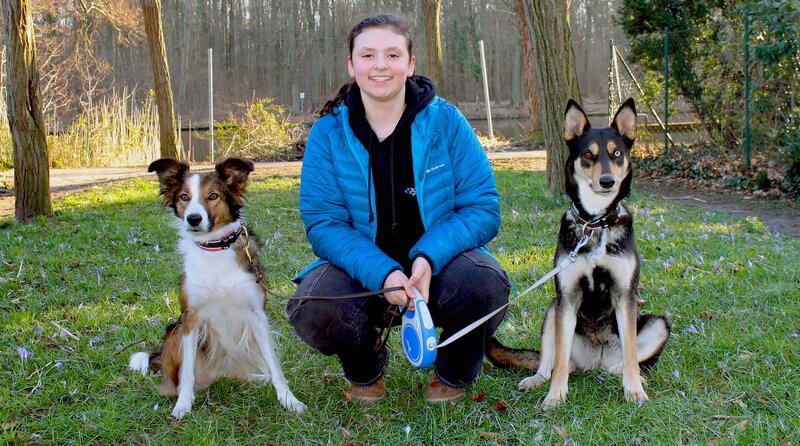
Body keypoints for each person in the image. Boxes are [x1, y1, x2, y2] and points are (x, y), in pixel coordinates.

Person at [289, 12, 510, 404]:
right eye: (368, 55)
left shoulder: (447, 122)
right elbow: (323, 223)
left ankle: (454, 371)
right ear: (351, 65)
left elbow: (482, 207)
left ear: (410, 65)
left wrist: (428, 257)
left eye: (392, 55)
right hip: (363, 275)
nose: (380, 65)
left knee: (484, 284)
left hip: (439, 271)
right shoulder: (327, 132)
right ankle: (366, 368)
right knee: (315, 306)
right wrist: (384, 272)